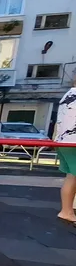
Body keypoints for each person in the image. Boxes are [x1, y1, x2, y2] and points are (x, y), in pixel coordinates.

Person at [55, 74, 76, 225]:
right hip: (72, 142)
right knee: (73, 176)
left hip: (64, 141)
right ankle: (67, 211)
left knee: (72, 176)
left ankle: (67, 210)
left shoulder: (69, 94)